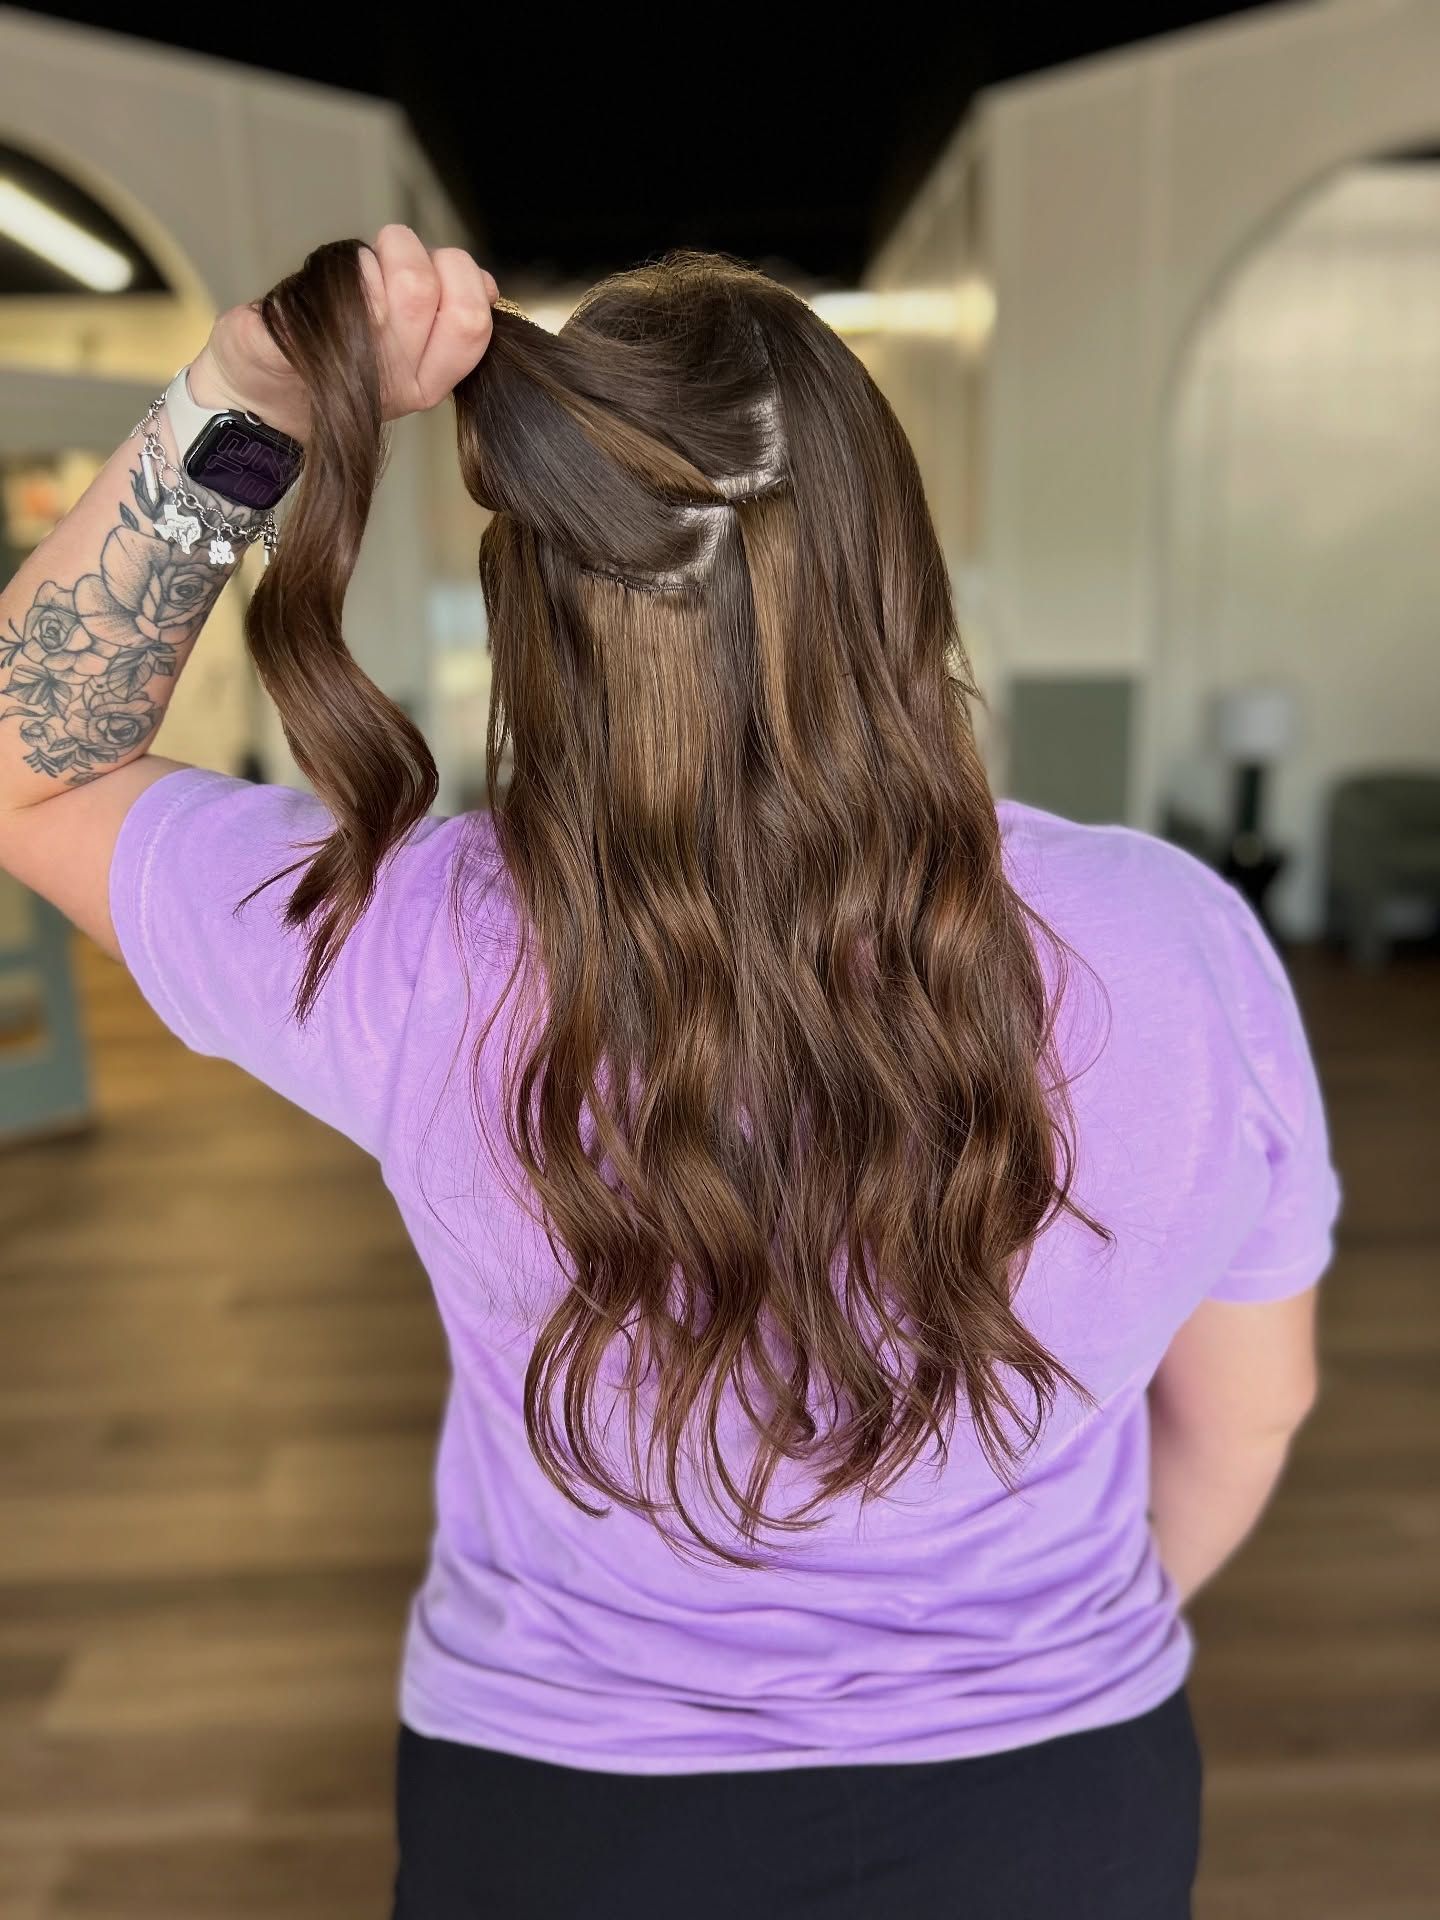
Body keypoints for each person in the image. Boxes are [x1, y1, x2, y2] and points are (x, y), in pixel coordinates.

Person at [0, 227, 1341, 1920]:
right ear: (903, 574)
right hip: (1055, 1798)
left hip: (567, 1817)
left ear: (534, 609)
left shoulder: (416, 946)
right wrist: (1029, 1663)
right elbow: (1252, 1409)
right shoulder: (1180, 941)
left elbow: (28, 768)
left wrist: (247, 394)